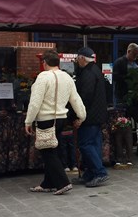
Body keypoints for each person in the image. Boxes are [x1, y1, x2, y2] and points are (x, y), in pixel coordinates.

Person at [25, 49, 86, 195]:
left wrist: (28, 121)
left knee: (48, 152)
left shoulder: (43, 77)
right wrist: (82, 115)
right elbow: (75, 99)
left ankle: (62, 183)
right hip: (60, 119)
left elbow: (35, 102)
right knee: (53, 150)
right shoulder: (67, 77)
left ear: (44, 62)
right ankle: (48, 183)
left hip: (46, 119)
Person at [72, 47, 109, 188]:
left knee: (86, 144)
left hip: (89, 115)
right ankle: (90, 173)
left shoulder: (87, 74)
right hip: (97, 114)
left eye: (77, 58)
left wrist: (78, 115)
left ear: (82, 58)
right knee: (94, 144)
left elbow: (84, 97)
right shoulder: (96, 70)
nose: (76, 61)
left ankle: (99, 172)